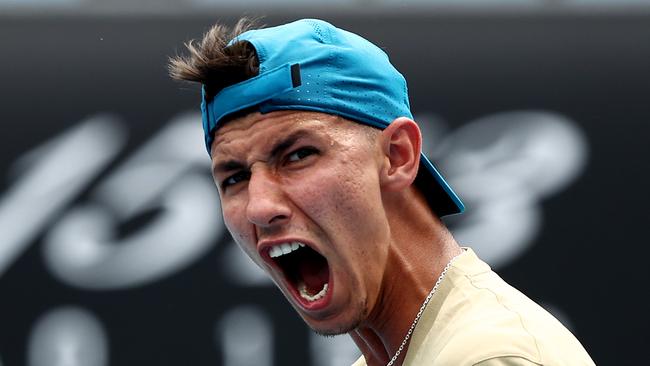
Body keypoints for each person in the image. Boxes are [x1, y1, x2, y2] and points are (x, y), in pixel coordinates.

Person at [169, 18, 595, 366]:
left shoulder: (491, 356)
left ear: (398, 155)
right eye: (234, 178)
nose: (260, 207)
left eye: (298, 156)